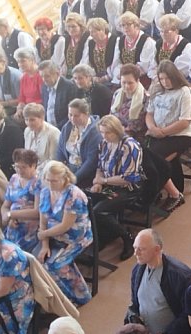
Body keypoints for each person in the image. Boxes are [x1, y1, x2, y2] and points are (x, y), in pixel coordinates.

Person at [128, 228, 191, 334]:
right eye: (134, 248)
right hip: (147, 333)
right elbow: (134, 305)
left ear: (157, 249)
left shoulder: (179, 275)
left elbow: (189, 313)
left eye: (141, 249)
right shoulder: (137, 270)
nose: (136, 253)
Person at [36, 160, 93, 306]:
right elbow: (43, 221)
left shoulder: (74, 195)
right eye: (47, 180)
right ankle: (61, 296)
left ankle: (81, 296)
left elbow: (65, 226)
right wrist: (45, 245)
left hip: (76, 237)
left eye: (54, 181)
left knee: (55, 265)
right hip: (52, 235)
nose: (50, 184)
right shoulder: (45, 192)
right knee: (37, 261)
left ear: (65, 178)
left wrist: (44, 234)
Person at [145, 60, 191, 209]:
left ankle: (173, 194)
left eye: (167, 78)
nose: (165, 82)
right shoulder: (157, 91)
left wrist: (163, 132)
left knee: (152, 160)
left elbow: (185, 122)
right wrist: (153, 128)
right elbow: (149, 114)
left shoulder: (186, 92)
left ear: (175, 76)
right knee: (141, 154)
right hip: (158, 133)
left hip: (181, 135)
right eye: (161, 79)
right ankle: (167, 190)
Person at [91, 114, 143, 260]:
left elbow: (128, 178)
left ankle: (126, 236)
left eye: (108, 132)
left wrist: (103, 181)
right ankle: (103, 236)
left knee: (98, 211)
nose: (104, 136)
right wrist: (97, 182)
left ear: (117, 130)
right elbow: (100, 166)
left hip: (129, 188)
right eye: (102, 132)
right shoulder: (104, 143)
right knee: (86, 202)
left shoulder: (129, 146)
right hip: (109, 183)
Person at [55, 98, 103, 189]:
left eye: (76, 116)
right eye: (70, 115)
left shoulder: (95, 132)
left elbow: (91, 162)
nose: (72, 118)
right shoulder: (67, 127)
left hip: (85, 175)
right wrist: (59, 172)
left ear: (86, 114)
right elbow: (60, 151)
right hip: (68, 170)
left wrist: (73, 179)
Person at [2, 149, 42, 253]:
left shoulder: (38, 182)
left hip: (29, 231)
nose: (19, 170)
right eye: (16, 167)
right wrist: (7, 218)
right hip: (13, 226)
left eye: (23, 167)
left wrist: (12, 214)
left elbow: (37, 212)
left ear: (33, 165)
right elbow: (5, 205)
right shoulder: (14, 178)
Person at [110, 12, 157, 85]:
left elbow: (144, 65)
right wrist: (120, 73)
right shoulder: (120, 41)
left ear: (136, 25)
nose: (125, 27)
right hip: (123, 78)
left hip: (140, 80)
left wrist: (126, 74)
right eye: (123, 25)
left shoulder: (147, 41)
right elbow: (116, 62)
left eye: (128, 24)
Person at [110, 64, 149, 142]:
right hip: (116, 131)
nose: (126, 86)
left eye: (130, 83)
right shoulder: (117, 93)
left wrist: (120, 131)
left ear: (137, 81)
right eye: (123, 82)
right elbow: (111, 115)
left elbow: (139, 126)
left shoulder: (145, 98)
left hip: (134, 136)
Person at [22, 102, 61, 172]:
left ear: (42, 118)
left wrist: (34, 170)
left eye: (32, 120)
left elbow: (53, 160)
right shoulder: (27, 131)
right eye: (26, 120)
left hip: (48, 171)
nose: (29, 123)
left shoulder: (53, 133)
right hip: (31, 170)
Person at [39, 60, 77, 130]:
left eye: (47, 76)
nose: (44, 79)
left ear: (57, 73)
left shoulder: (69, 87)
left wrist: (56, 129)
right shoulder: (44, 86)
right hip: (48, 128)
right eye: (42, 76)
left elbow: (72, 114)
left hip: (64, 128)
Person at [83, 17, 118, 85]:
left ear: (102, 30)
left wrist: (106, 77)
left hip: (112, 77)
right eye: (90, 32)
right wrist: (93, 77)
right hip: (96, 78)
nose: (91, 35)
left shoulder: (115, 40)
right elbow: (88, 62)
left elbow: (116, 62)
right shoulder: (91, 43)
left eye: (93, 32)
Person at [0, 51, 22, 116]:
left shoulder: (15, 75)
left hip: (17, 108)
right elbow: (1, 96)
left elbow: (21, 99)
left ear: (3, 62)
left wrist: (5, 103)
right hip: (7, 107)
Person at [14, 48, 44, 120]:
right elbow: (22, 98)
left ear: (32, 60)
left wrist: (28, 109)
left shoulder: (41, 75)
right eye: (18, 62)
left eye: (23, 61)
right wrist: (19, 109)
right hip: (27, 110)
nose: (20, 64)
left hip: (39, 110)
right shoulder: (24, 77)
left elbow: (44, 98)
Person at [61, 13, 91, 78]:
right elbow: (63, 60)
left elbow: (85, 61)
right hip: (68, 74)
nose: (71, 29)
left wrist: (75, 76)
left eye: (73, 26)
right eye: (68, 26)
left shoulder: (88, 39)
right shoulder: (67, 39)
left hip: (82, 74)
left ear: (81, 26)